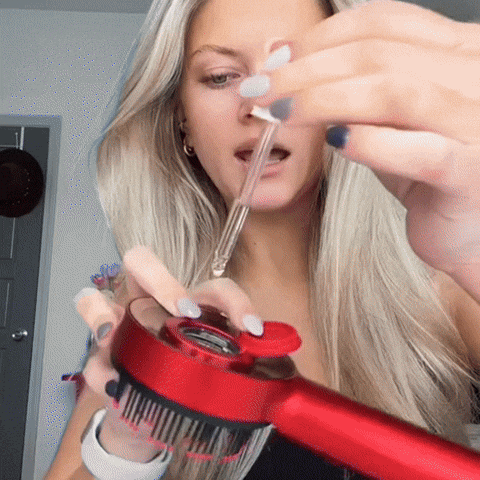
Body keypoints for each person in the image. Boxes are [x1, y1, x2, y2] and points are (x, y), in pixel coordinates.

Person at [45, 0, 480, 478]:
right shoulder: (151, 316)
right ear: (180, 119)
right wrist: (128, 437)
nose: (259, 106)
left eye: (295, 69)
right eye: (221, 77)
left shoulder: (443, 286)